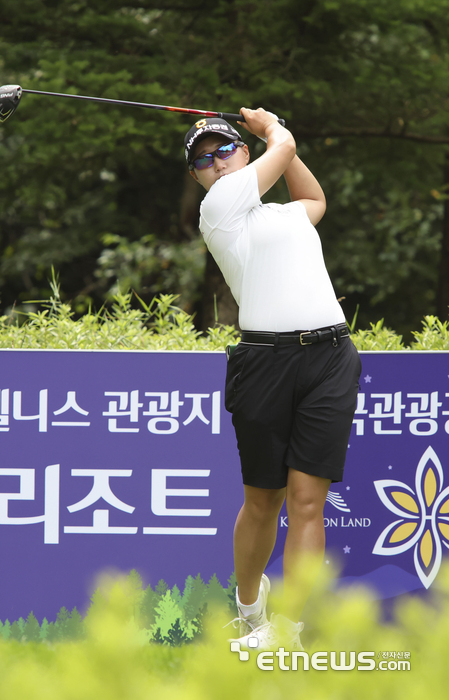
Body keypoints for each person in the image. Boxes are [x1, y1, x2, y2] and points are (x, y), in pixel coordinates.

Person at [183, 109, 361, 650]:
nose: (215, 163)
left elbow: (316, 202)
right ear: (197, 178)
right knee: (264, 499)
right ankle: (249, 609)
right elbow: (280, 150)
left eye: (224, 150)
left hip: (330, 355)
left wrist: (278, 143)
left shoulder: (284, 216)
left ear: (241, 153)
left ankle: (293, 628)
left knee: (308, 501)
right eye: (202, 160)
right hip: (264, 362)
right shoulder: (218, 210)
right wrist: (272, 129)